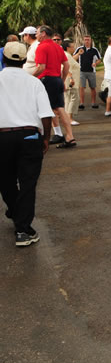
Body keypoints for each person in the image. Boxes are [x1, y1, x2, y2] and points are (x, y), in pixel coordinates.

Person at [0, 42, 54, 247]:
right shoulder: (34, 83)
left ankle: (16, 214)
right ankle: (22, 229)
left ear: (3, 59)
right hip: (29, 137)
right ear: (24, 61)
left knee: (5, 180)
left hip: (2, 137)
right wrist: (46, 138)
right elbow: (46, 115)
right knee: (28, 183)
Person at [33, 25, 76, 148]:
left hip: (47, 80)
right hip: (56, 79)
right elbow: (66, 65)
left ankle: (69, 136)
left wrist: (29, 77)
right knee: (57, 108)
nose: (35, 35)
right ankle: (63, 135)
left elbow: (41, 67)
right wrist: (61, 80)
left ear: (43, 34)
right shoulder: (57, 47)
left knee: (54, 109)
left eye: (37, 33)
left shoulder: (42, 47)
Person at [75, 35, 101, 109]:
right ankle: (81, 103)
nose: (87, 41)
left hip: (91, 71)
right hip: (81, 71)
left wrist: (96, 63)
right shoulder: (79, 49)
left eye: (88, 40)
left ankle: (93, 103)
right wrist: (79, 54)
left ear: (91, 40)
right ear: (83, 40)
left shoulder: (94, 50)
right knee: (81, 87)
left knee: (93, 87)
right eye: (85, 40)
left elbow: (99, 59)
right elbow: (73, 58)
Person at [62, 39, 81, 126]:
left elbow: (72, 62)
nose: (74, 48)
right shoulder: (66, 55)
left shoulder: (67, 55)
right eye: (72, 47)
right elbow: (67, 68)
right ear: (68, 48)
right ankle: (69, 118)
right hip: (71, 82)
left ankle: (67, 118)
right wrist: (71, 79)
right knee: (73, 99)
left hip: (70, 80)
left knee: (68, 99)